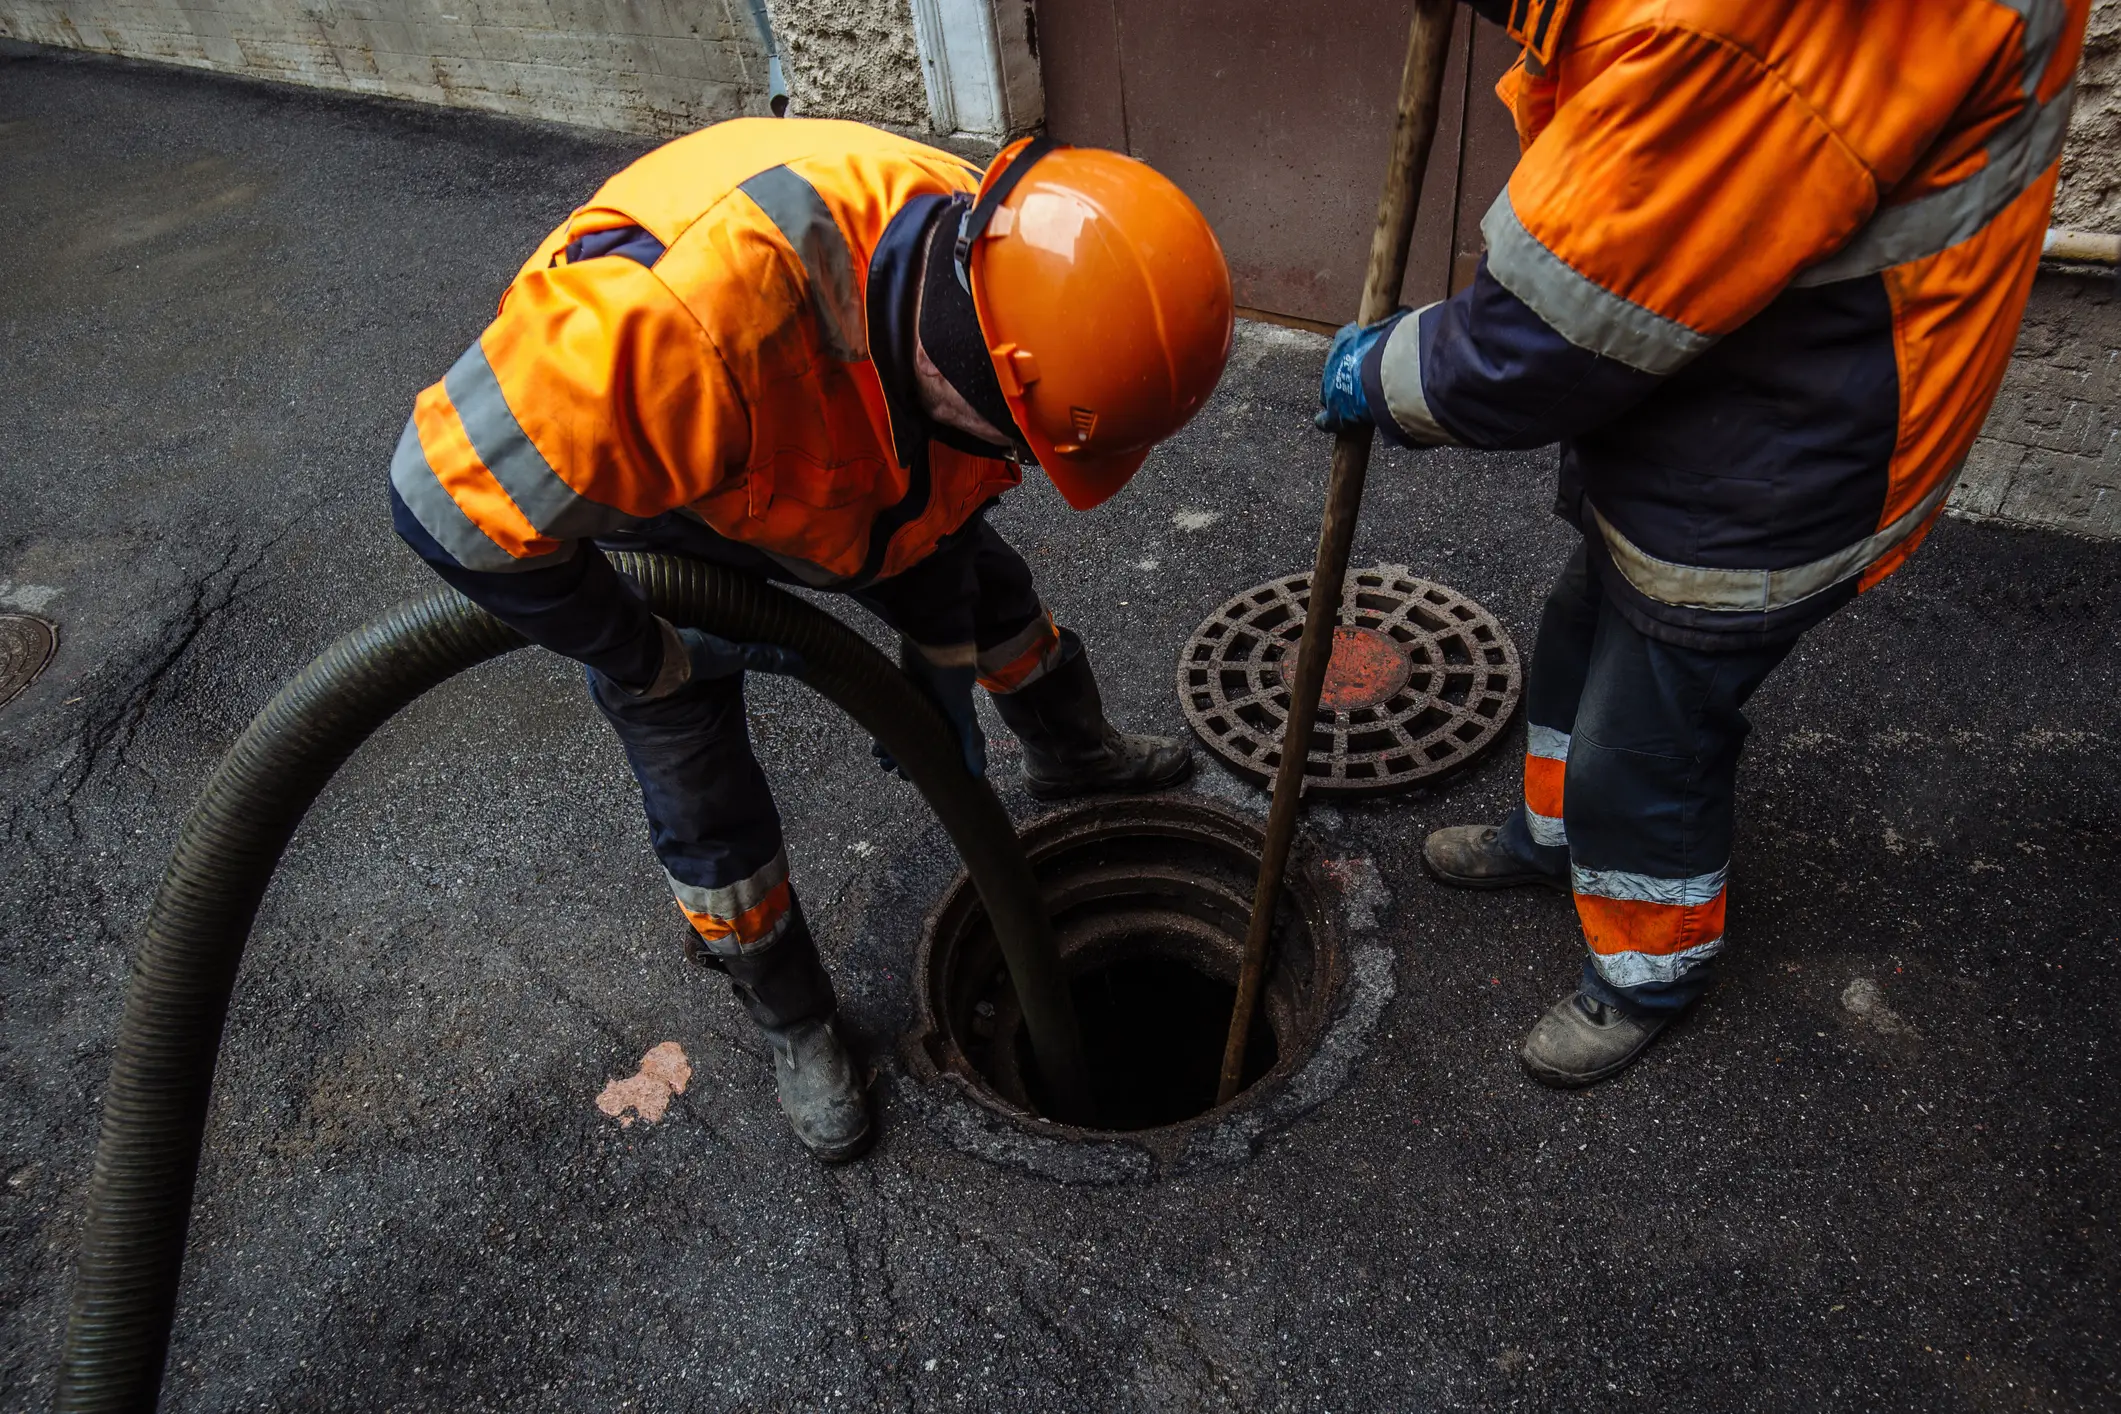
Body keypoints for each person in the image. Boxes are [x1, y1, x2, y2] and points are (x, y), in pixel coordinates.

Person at [390, 119, 1233, 1159]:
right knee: (698, 777)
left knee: (989, 597)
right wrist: (642, 647)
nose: (1027, 460)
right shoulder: (668, 328)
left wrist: (941, 675)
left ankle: (1072, 751)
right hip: (687, 498)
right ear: (975, 368)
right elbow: (438, 499)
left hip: (856, 458)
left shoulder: (1018, 264)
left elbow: (950, 514)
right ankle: (794, 1018)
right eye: (1026, 439)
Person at [1318, 0, 2090, 1087]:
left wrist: (1386, 375)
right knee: (1582, 619)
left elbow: (1540, 338)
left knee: (1651, 735)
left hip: (1795, 431)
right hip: (1721, 365)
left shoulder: (1745, 27)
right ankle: (1553, 836)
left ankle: (1648, 968)